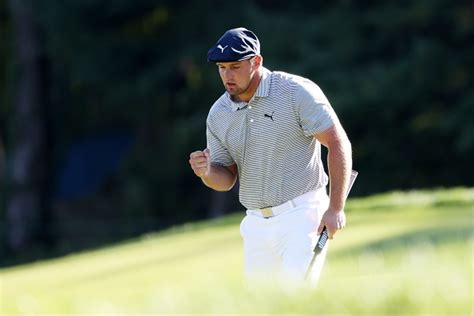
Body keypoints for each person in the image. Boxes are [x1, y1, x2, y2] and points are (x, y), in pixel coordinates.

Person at [189, 27, 353, 287]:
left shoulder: (295, 91)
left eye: (235, 66)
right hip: (255, 224)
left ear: (256, 61)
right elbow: (226, 179)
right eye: (222, 68)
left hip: (303, 215)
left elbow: (337, 142)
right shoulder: (219, 113)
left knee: (296, 300)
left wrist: (335, 209)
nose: (227, 75)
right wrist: (206, 171)